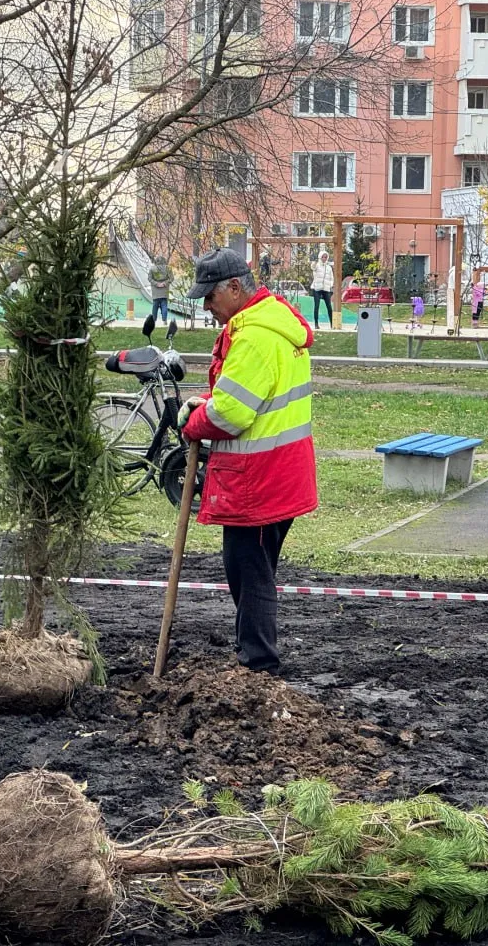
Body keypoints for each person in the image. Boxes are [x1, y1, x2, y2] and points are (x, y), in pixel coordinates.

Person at [176, 248, 318, 675]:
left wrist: (195, 422)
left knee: (250, 575)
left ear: (235, 288)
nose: (206, 306)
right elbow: (248, 396)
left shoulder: (254, 337)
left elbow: (232, 414)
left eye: (210, 296)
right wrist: (208, 402)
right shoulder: (272, 325)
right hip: (277, 474)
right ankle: (252, 658)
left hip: (259, 482)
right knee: (252, 570)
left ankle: (258, 666)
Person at [309, 251, 334, 328]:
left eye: (325, 257)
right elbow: (313, 267)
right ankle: (316, 324)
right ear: (320, 257)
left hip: (326, 289)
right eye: (323, 257)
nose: (324, 258)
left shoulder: (329, 267)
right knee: (317, 306)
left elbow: (331, 278)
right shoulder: (317, 265)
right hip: (317, 288)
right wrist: (314, 262)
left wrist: (330, 285)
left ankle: (332, 324)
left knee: (329, 306)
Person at [147, 254, 171, 322]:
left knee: (155, 306)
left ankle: (154, 320)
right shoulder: (168, 269)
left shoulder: (152, 269)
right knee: (164, 305)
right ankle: (164, 320)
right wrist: (164, 283)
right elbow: (171, 278)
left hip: (155, 290)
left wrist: (156, 284)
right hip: (164, 289)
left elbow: (149, 278)